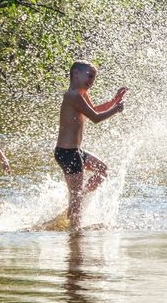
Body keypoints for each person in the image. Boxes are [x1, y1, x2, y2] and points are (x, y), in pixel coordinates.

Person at [54, 60, 127, 230]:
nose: (91, 81)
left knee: (102, 170)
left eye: (93, 79)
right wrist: (116, 110)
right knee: (75, 195)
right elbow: (95, 118)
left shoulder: (80, 94)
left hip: (75, 151)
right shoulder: (72, 95)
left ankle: (77, 203)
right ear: (76, 74)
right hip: (67, 152)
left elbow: (93, 110)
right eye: (89, 76)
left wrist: (113, 102)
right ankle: (75, 231)